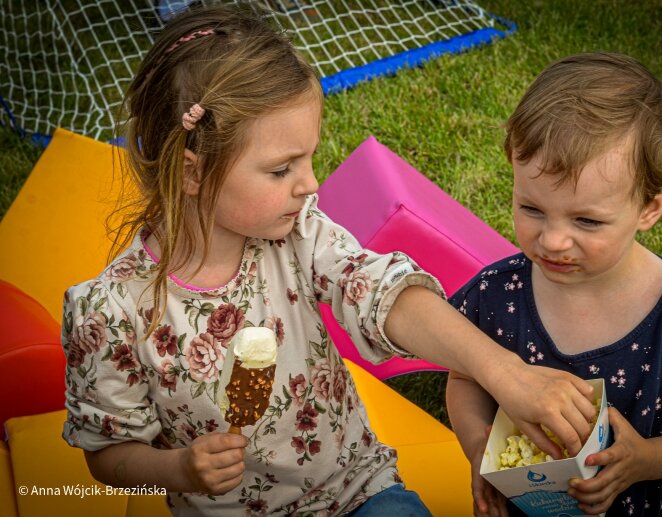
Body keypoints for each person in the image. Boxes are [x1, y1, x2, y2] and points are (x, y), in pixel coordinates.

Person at [60, 6, 597, 516]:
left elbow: (385, 295)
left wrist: (507, 374)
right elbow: (109, 458)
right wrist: (177, 469)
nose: (310, 183)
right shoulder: (110, 313)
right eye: (281, 169)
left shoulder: (298, 234)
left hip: (358, 491)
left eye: (309, 158)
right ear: (191, 172)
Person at [446, 52, 662, 517]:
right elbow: (465, 376)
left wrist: (646, 461)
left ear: (650, 207)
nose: (552, 239)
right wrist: (476, 443)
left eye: (586, 219)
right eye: (531, 208)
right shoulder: (496, 293)